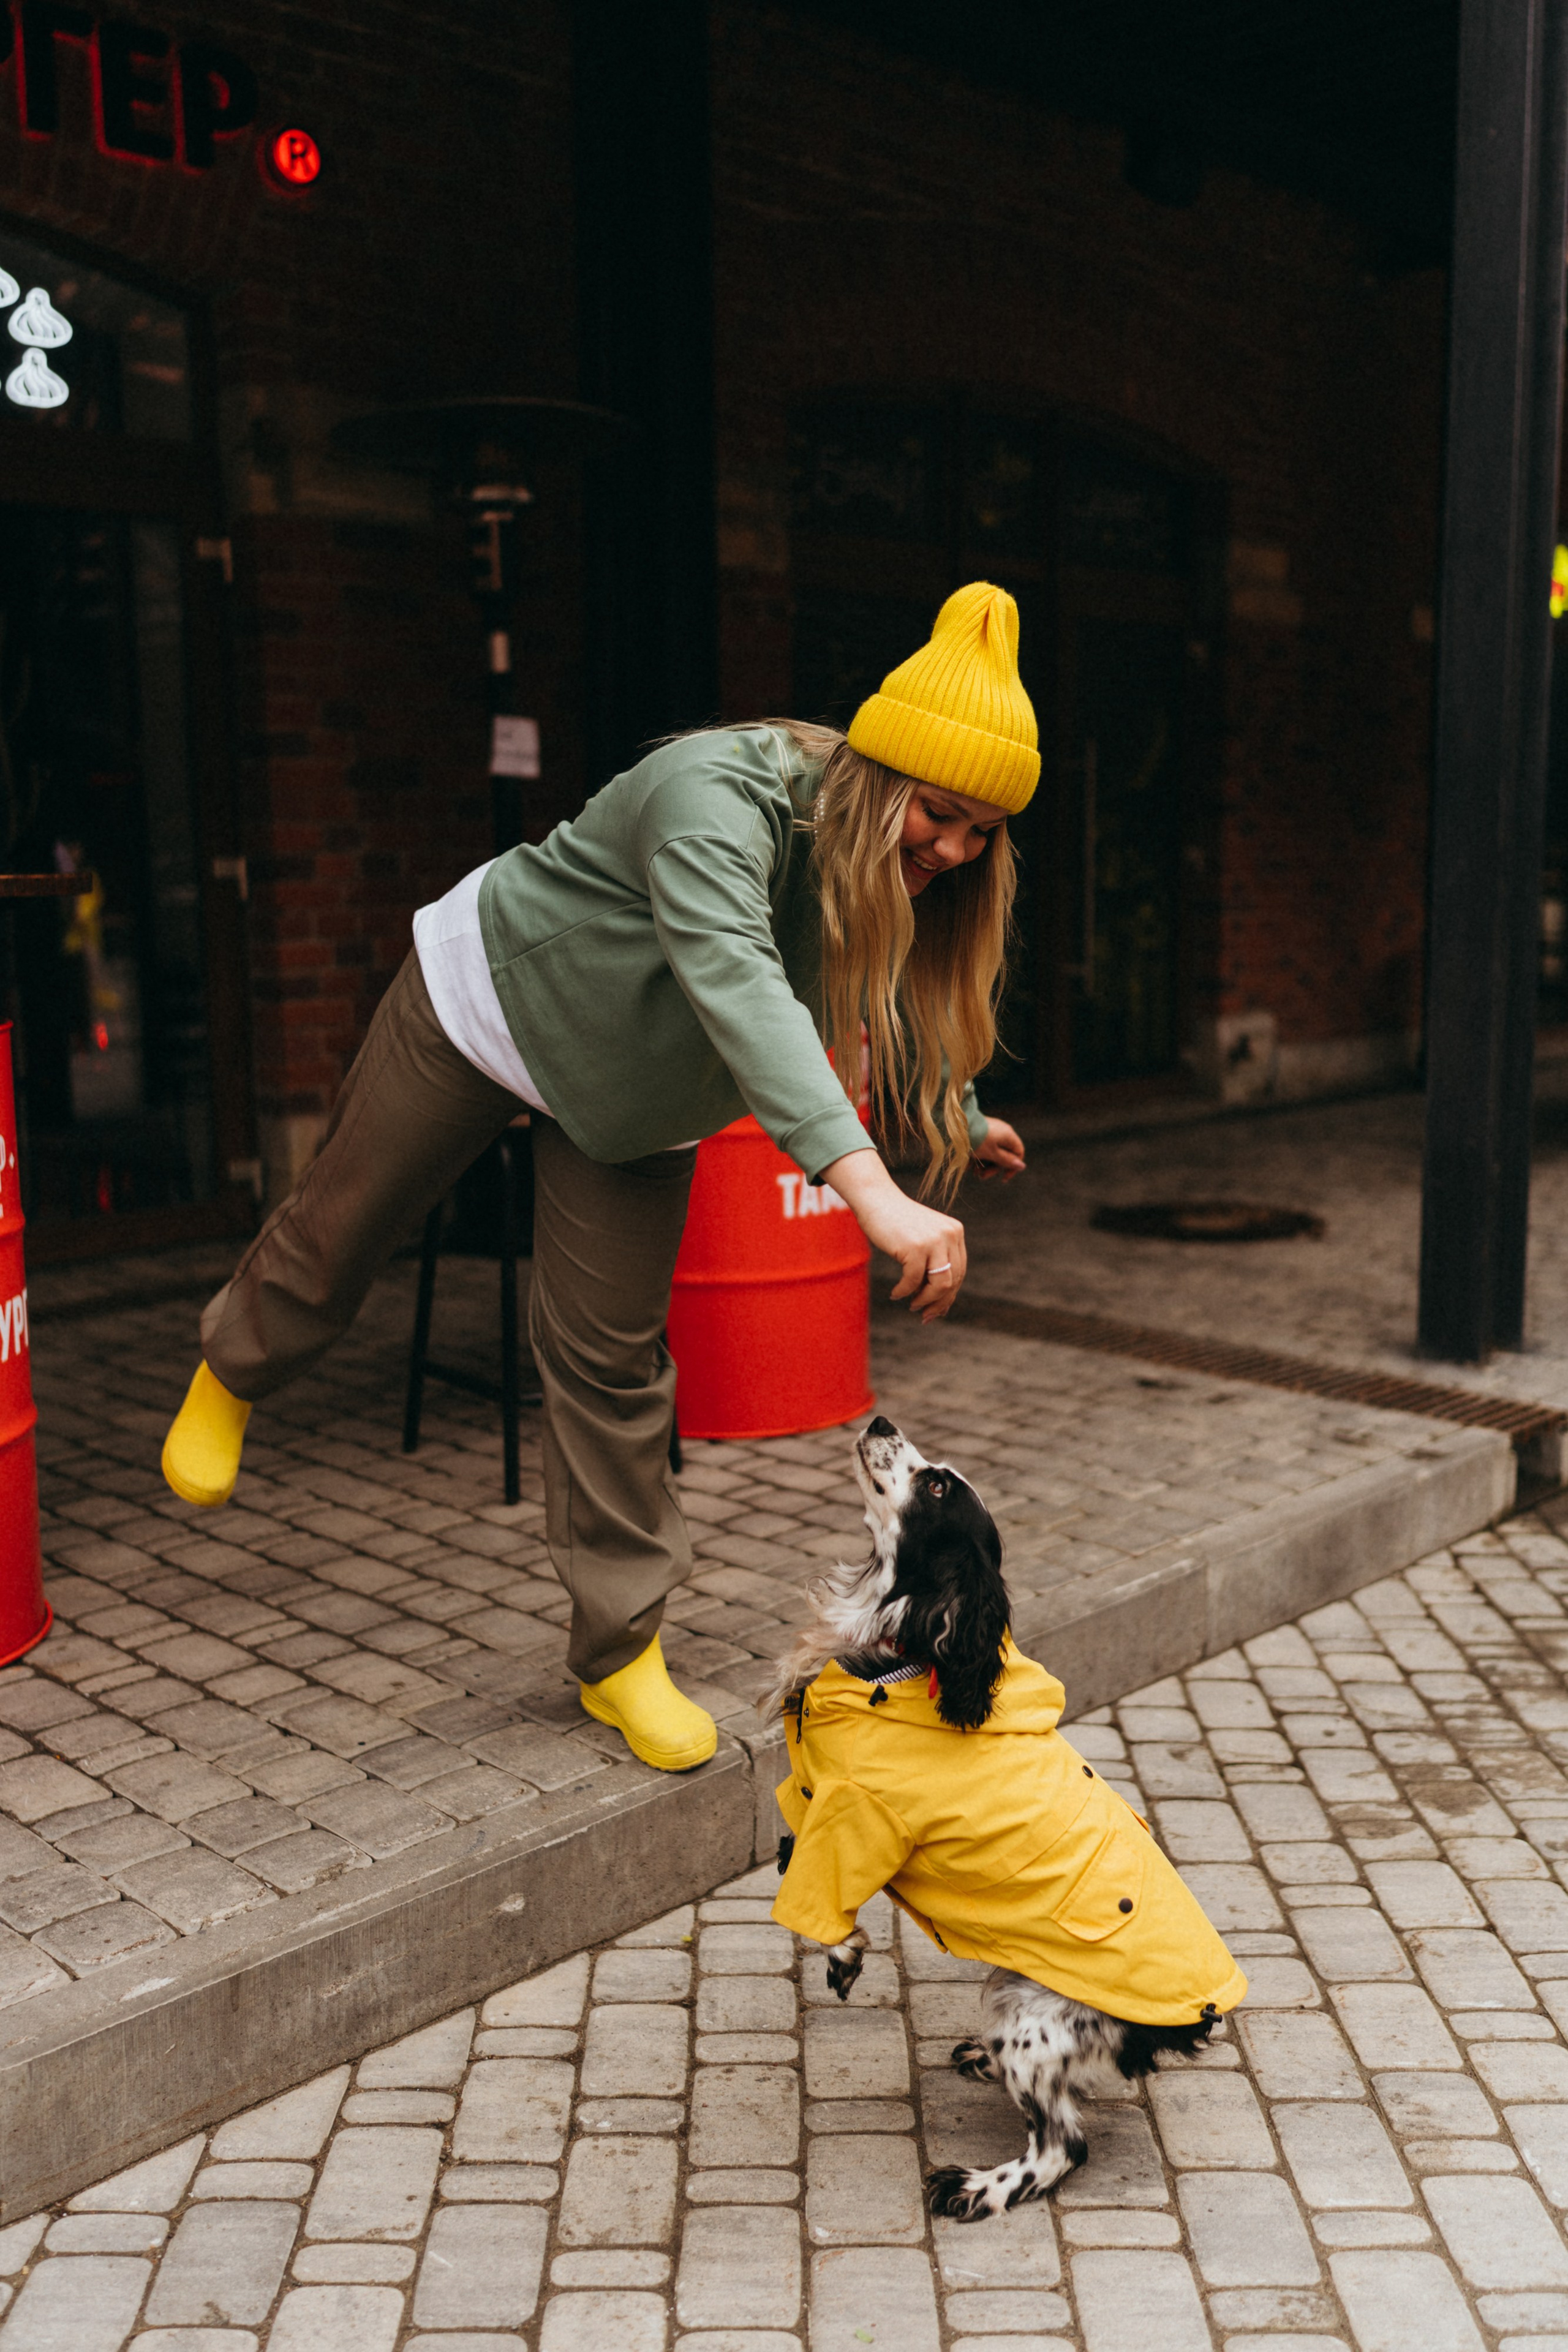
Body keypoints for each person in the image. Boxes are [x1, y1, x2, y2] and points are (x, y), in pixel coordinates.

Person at [159, 580, 1036, 1773]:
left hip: (637, 1101)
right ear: (881, 771)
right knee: (347, 1221)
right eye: (939, 814)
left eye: (981, 834)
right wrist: (870, 1189)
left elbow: (884, 994)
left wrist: (951, 1112)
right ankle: (234, 1363)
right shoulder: (713, 798)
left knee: (611, 1361)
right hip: (496, 1006)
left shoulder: (899, 870)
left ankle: (616, 1654)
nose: (953, 848)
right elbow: (735, 976)